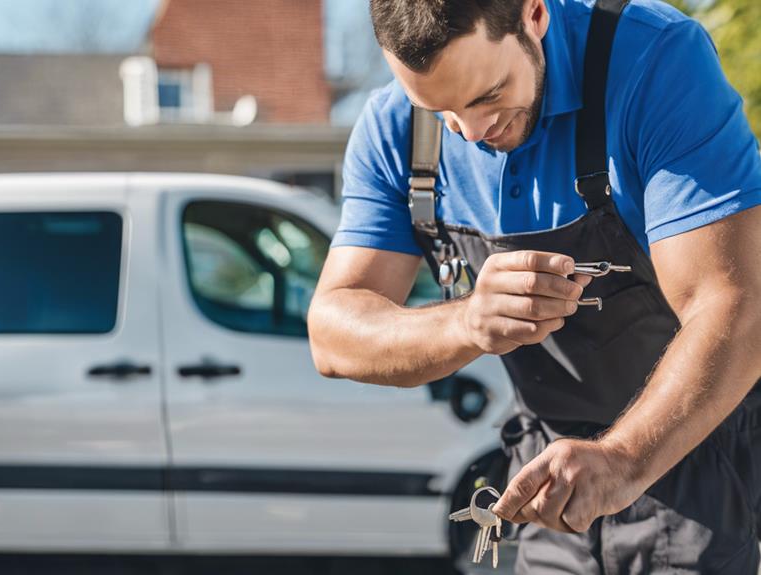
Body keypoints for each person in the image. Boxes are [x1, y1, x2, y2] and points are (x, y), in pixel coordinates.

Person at [307, 0, 761, 571]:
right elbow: (332, 331)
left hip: (704, 462)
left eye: (487, 95)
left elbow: (735, 304)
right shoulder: (396, 126)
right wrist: (466, 321)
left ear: (534, 15)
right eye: (440, 109)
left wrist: (622, 459)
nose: (470, 134)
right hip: (548, 483)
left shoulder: (655, 60)